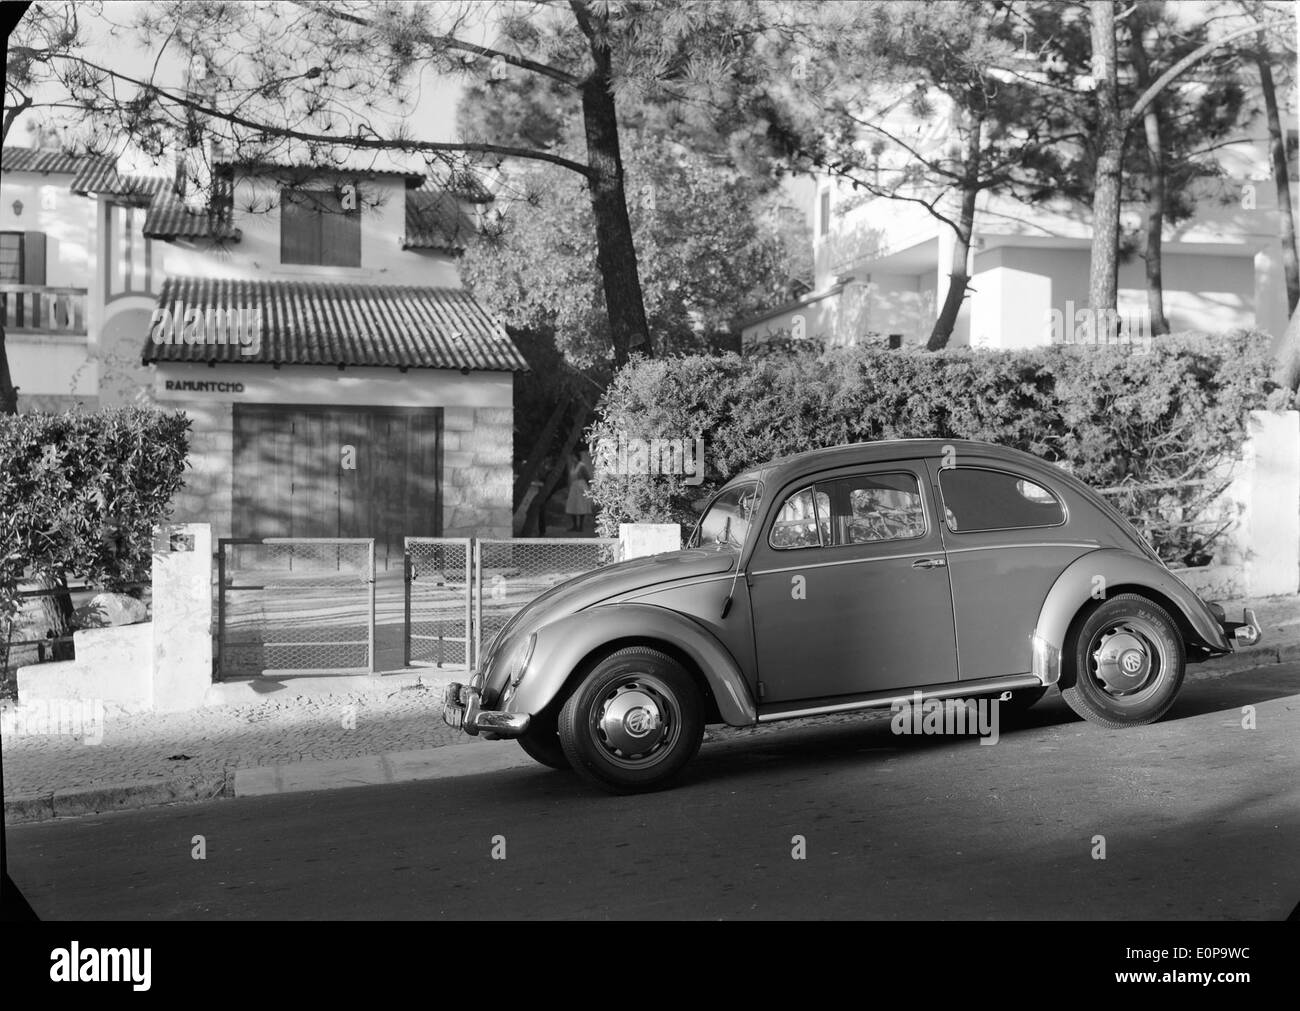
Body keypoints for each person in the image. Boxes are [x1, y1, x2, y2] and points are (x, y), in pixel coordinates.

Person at [565, 448, 593, 533]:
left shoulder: (581, 466)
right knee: (572, 505)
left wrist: (587, 489)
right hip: (574, 487)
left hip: (581, 486)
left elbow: (588, 477)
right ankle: (574, 525)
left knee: (581, 506)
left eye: (574, 457)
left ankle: (580, 526)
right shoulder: (572, 466)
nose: (572, 458)